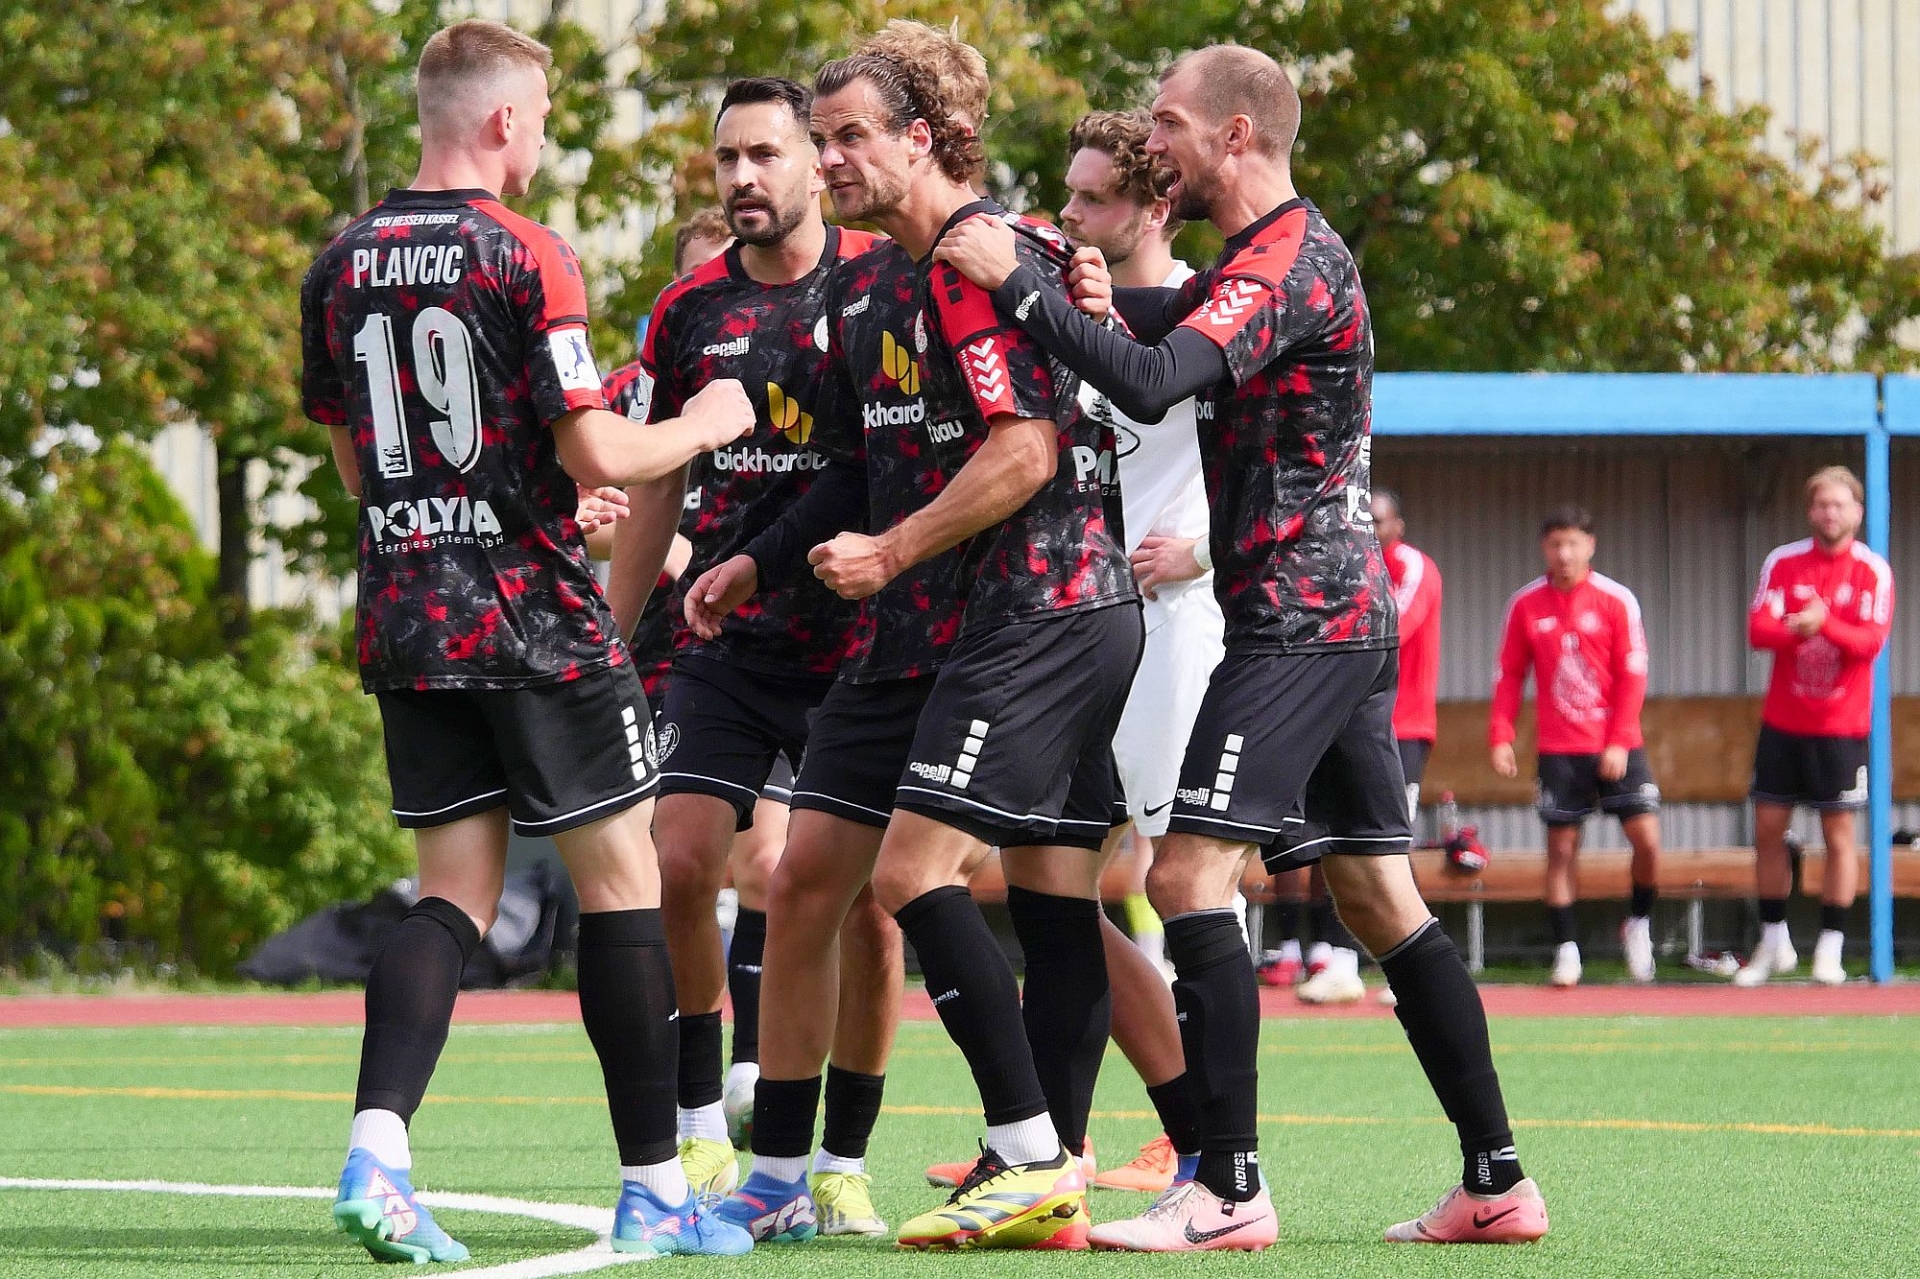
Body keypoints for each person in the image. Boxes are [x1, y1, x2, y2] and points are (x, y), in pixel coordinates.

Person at [934, 42, 1546, 1248]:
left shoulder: (1289, 258)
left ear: (1236, 134)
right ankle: (1497, 1181)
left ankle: (1227, 1188)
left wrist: (1016, 284)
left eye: (1168, 120)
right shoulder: (1255, 260)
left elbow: (1153, 378)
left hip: (1298, 624)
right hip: (1329, 617)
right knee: (1376, 894)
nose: (1152, 139)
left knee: (1183, 880)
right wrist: (1065, 279)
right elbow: (1150, 322)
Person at [298, 19, 755, 1262]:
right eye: (543, 118)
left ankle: (378, 1152)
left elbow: (360, 468)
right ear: (503, 120)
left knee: (451, 896)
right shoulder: (525, 251)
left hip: (407, 615)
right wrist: (708, 419)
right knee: (623, 887)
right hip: (536, 620)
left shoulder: (338, 262)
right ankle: (654, 1189)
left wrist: (524, 492)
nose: (543, 139)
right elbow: (601, 447)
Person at [697, 26, 1142, 1251]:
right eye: (821, 137)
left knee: (941, 882)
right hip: (915, 630)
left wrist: (891, 552)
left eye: (850, 136)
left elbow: (1026, 452)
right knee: (804, 882)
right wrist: (757, 558)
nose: (829, 158)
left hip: (1038, 610)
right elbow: (859, 462)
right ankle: (778, 1177)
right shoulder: (863, 284)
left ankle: (1057, 1155)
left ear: (921, 139)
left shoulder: (987, 258)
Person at [603, 79, 900, 1230]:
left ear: (817, 163)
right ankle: (699, 1122)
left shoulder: (884, 278)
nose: (741, 177)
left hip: (862, 642)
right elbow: (655, 484)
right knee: (679, 861)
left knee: (862, 909)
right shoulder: (687, 310)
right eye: (727, 158)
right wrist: (611, 633)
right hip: (723, 638)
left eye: (764, 155)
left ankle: (841, 1156)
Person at [924, 107, 1215, 1200]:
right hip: (1086, 612)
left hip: (1178, 620)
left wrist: (1204, 550)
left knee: (1187, 882)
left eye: (1099, 198)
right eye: (1070, 192)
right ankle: (1070, 1140)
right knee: (1063, 892)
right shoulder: (1057, 296)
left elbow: (1288, 451)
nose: (1074, 213)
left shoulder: (1199, 305)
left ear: (1157, 205)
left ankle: (1213, 1145)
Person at [1490, 506, 1661, 987]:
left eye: (1572, 543)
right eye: (1555, 544)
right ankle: (1567, 950)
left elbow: (1633, 674)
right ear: (1544, 548)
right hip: (1559, 749)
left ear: (1590, 546)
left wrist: (1619, 740)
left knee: (1648, 842)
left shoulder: (1616, 600)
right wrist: (1501, 735)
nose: (1564, 554)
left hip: (1617, 746)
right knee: (1562, 849)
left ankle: (1638, 923)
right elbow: (1509, 675)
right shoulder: (1526, 604)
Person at [1736, 466, 1894, 986]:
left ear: (1858, 512)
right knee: (1767, 828)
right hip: (1784, 723)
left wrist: (1827, 623)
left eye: (1840, 505)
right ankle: (1773, 942)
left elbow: (1870, 643)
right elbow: (1758, 629)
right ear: (1810, 511)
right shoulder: (1783, 562)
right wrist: (1797, 629)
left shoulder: (1872, 571)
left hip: (1841, 727)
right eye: (1822, 504)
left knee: (1839, 835)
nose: (1830, 513)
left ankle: (1830, 948)